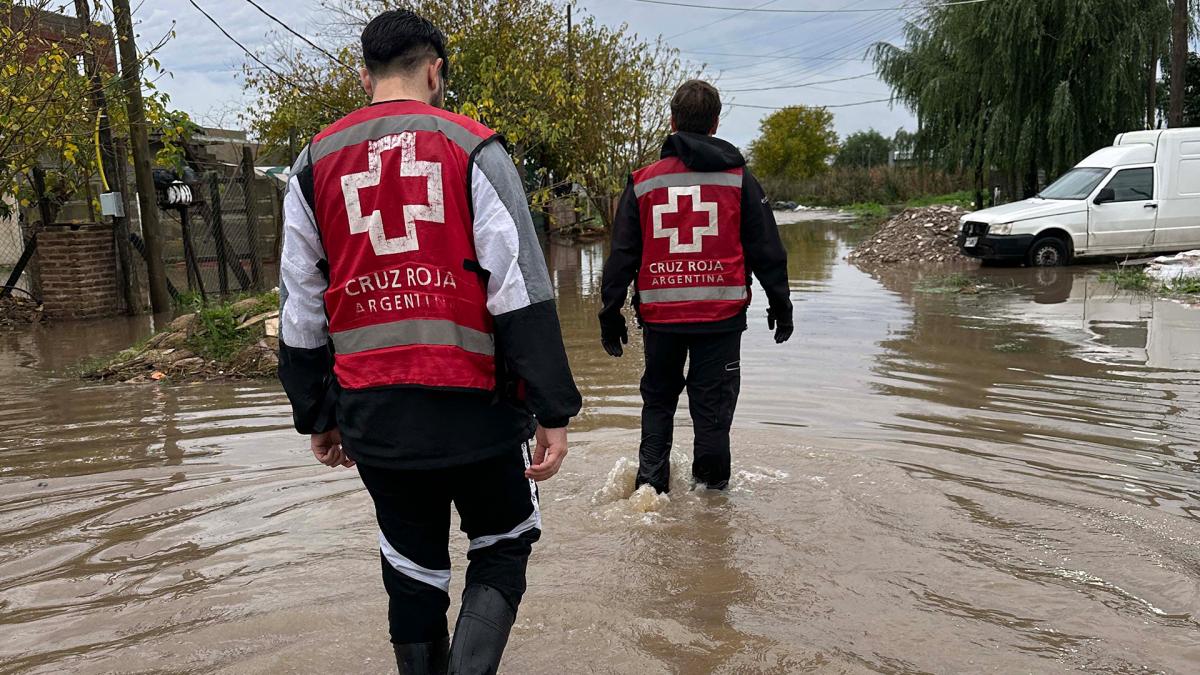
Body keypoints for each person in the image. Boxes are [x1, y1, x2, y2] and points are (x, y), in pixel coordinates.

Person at [277, 10, 581, 674]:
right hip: (479, 408)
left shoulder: (311, 165)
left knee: (412, 567)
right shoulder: (474, 148)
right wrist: (553, 409)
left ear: (365, 76)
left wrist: (317, 412)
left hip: (376, 415)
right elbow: (521, 290)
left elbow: (300, 308)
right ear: (435, 70)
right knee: (504, 542)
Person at [599, 79, 792, 494]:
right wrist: (782, 303)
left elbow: (622, 255)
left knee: (658, 404)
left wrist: (609, 311)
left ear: (671, 122)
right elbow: (767, 249)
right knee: (713, 417)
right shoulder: (740, 181)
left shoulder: (643, 182)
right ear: (716, 123)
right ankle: (713, 508)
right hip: (719, 323)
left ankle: (650, 490)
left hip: (660, 322)